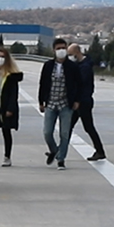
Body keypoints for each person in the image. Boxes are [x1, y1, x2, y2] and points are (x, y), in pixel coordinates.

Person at [38, 38, 81, 170]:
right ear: (54, 50)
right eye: (58, 49)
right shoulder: (48, 66)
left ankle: (61, 159)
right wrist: (41, 101)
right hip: (50, 103)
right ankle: (54, 150)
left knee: (64, 133)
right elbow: (43, 83)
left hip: (66, 104)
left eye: (63, 48)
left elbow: (78, 84)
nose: (61, 51)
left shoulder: (72, 67)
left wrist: (77, 101)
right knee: (47, 132)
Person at [67, 43, 106, 161]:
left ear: (77, 53)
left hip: (83, 102)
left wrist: (77, 100)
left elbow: (81, 85)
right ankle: (59, 150)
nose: (69, 57)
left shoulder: (85, 67)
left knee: (88, 127)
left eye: (70, 54)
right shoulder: (80, 65)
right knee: (68, 127)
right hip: (79, 101)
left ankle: (100, 151)